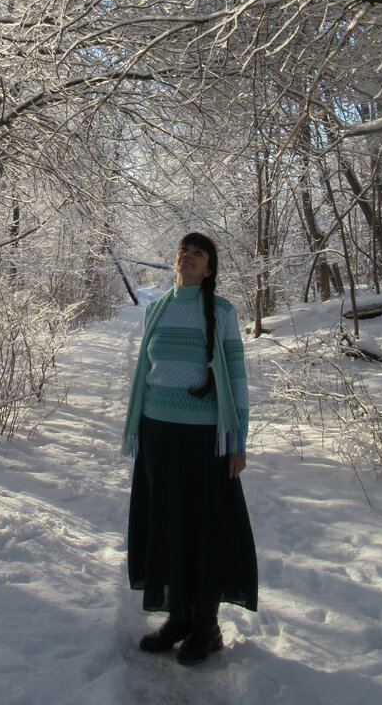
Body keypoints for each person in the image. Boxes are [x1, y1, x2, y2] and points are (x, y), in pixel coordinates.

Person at [123, 232, 258, 665]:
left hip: (206, 439)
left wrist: (238, 440)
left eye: (199, 253)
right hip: (159, 435)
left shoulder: (221, 311)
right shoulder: (157, 309)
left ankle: (206, 625)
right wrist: (140, 428)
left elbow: (235, 375)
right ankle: (177, 617)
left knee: (205, 526)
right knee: (167, 525)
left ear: (209, 268)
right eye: (185, 250)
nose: (189, 256)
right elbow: (147, 370)